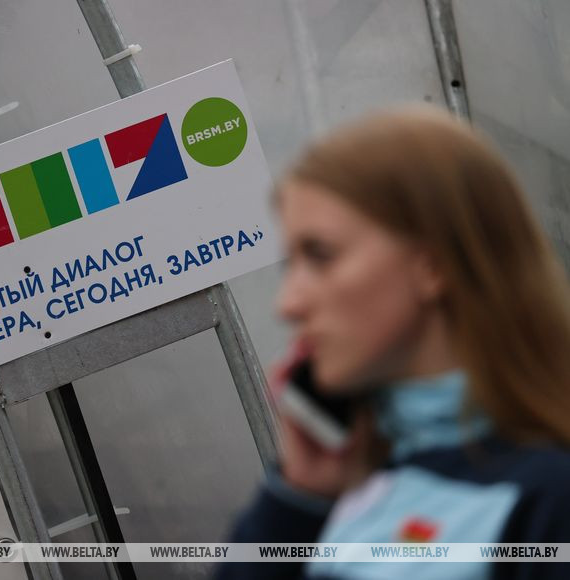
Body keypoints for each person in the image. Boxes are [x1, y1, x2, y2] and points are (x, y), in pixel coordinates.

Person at [215, 104, 570, 579]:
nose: (288, 304)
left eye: (320, 255)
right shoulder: (340, 484)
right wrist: (298, 499)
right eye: (290, 264)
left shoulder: (548, 501)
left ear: (433, 264)